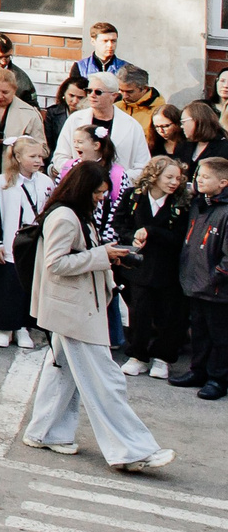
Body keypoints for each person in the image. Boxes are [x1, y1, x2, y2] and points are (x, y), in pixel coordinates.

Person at [23, 155, 174, 471]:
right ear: (83, 189)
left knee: (62, 373)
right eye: (98, 192)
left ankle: (45, 432)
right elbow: (56, 264)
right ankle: (132, 450)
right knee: (106, 381)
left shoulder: (75, 214)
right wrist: (101, 255)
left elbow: (77, 257)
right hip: (75, 311)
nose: (102, 198)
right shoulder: (66, 218)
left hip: (75, 309)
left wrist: (107, 257)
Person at [116, 156, 192, 377]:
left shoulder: (181, 202)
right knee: (139, 311)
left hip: (169, 267)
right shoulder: (133, 196)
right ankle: (137, 355)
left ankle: (163, 357)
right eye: (169, 177)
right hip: (139, 267)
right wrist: (132, 238)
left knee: (170, 314)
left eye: (178, 178)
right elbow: (120, 223)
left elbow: (180, 236)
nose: (174, 182)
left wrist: (151, 231)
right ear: (154, 175)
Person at [0, 134, 52, 348]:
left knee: (28, 285)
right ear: (17, 157)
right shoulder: (3, 181)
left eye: (41, 157)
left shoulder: (46, 182)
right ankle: (4, 327)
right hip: (11, 241)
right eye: (33, 156)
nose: (38, 161)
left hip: (34, 243)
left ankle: (22, 328)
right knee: (8, 285)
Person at [180, 157, 228, 398]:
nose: (199, 180)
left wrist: (216, 276)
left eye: (206, 177)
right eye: (198, 175)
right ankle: (197, 370)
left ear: (223, 182)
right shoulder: (198, 205)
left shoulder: (225, 211)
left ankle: (218, 379)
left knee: (219, 335)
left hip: (217, 288)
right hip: (195, 283)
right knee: (198, 330)